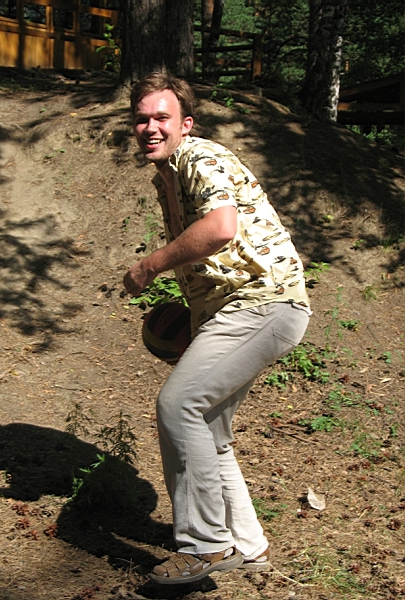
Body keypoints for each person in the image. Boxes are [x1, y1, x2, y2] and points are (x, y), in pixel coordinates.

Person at [124, 72, 311, 585]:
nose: (150, 127)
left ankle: (205, 546)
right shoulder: (167, 178)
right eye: (141, 119)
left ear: (185, 124)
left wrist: (149, 266)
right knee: (207, 428)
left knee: (178, 404)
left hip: (262, 304)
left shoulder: (199, 157)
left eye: (161, 117)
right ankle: (248, 546)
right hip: (238, 311)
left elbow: (220, 228)